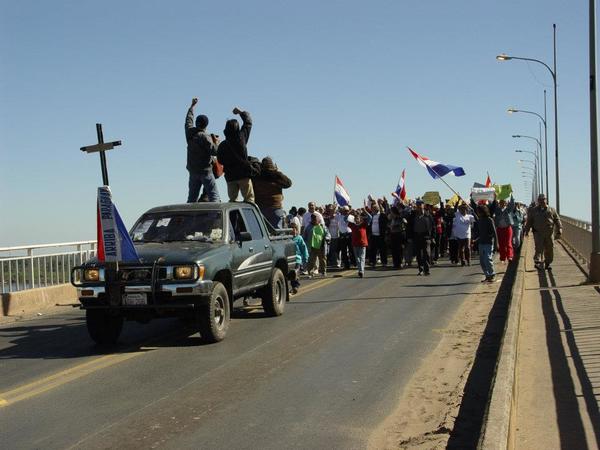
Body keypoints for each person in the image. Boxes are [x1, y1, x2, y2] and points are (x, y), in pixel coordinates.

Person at [184, 98, 220, 203]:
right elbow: (215, 151)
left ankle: (189, 219)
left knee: (191, 200)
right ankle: (216, 219)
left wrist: (192, 106)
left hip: (193, 171)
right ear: (206, 125)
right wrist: (216, 142)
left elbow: (188, 121)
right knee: (214, 198)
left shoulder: (189, 133)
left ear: (196, 123)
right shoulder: (206, 137)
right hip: (206, 172)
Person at [217, 107, 255, 203]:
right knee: (249, 200)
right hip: (243, 175)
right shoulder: (241, 139)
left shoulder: (223, 145)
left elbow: (220, 160)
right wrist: (240, 112)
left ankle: (233, 218)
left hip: (230, 177)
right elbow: (248, 123)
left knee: (233, 201)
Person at [524, 194, 562, 270]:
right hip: (538, 233)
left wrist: (560, 228)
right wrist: (527, 230)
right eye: (540, 200)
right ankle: (537, 262)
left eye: (544, 199)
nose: (542, 201)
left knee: (549, 248)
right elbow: (529, 221)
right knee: (539, 248)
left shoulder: (551, 209)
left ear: (546, 200)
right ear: (538, 201)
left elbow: (557, 219)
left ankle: (547, 263)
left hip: (549, 233)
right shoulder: (534, 210)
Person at [253, 157, 292, 228]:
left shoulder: (257, 176)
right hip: (275, 207)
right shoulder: (276, 176)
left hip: (261, 208)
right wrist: (277, 172)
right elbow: (288, 183)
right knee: (277, 234)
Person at [407, 200, 434, 275]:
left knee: (426, 254)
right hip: (416, 236)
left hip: (426, 236)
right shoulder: (413, 215)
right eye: (417, 205)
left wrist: (432, 237)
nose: (419, 206)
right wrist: (409, 237)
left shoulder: (428, 215)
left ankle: (427, 269)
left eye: (420, 205)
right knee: (418, 254)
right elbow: (409, 227)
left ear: (423, 206)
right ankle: (420, 269)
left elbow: (433, 226)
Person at [476, 205, 499, 282]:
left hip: (488, 243)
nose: (478, 213)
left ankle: (492, 274)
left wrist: (496, 244)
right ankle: (487, 275)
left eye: (479, 211)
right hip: (481, 243)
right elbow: (479, 233)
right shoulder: (479, 220)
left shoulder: (490, 220)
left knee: (487, 259)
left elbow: (494, 232)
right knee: (482, 261)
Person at [348, 209, 371, 278]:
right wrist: (350, 213)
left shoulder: (363, 224)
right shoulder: (352, 225)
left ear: (360, 219)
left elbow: (370, 217)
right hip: (355, 244)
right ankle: (360, 269)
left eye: (358, 218)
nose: (357, 219)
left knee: (362, 257)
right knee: (357, 258)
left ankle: (361, 271)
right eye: (356, 219)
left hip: (362, 244)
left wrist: (365, 211)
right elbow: (345, 218)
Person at [493, 197, 515, 263]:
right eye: (501, 202)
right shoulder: (497, 210)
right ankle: (502, 257)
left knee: (508, 243)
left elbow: (512, 204)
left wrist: (511, 196)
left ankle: (510, 256)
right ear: (499, 203)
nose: (502, 204)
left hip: (507, 228)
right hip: (499, 229)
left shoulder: (508, 209)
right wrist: (495, 197)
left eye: (503, 202)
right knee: (501, 244)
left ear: (505, 203)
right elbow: (494, 204)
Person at [290, 222, 309, 295]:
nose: (293, 231)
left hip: (297, 259)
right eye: (291, 229)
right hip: (289, 259)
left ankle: (295, 286)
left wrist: (305, 257)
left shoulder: (299, 238)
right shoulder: (287, 238)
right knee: (291, 274)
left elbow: (304, 248)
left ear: (297, 230)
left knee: (295, 273)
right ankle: (293, 286)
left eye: (294, 229)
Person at [369, 202, 389, 267]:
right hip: (373, 236)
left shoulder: (382, 215)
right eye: (373, 208)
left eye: (374, 208)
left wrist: (386, 234)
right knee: (373, 250)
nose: (373, 209)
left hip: (381, 236)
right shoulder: (371, 216)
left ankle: (384, 262)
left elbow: (386, 224)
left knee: (382, 250)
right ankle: (373, 262)